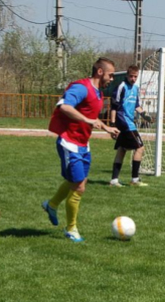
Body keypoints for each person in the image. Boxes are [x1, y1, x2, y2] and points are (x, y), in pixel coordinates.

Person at [41, 57, 120, 243]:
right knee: (79, 186)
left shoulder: (99, 93)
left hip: (84, 144)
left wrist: (106, 127)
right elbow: (64, 107)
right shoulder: (81, 87)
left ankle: (51, 205)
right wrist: (88, 121)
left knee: (75, 182)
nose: (112, 79)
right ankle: (71, 229)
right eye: (110, 75)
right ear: (100, 72)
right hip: (69, 143)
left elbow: (91, 116)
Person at [109, 64, 152, 187]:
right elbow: (114, 106)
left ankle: (114, 180)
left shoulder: (135, 88)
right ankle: (135, 179)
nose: (133, 79)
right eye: (131, 76)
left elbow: (136, 105)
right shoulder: (121, 87)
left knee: (122, 149)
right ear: (127, 75)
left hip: (129, 122)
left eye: (135, 76)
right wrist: (112, 124)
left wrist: (144, 115)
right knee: (140, 148)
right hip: (124, 122)